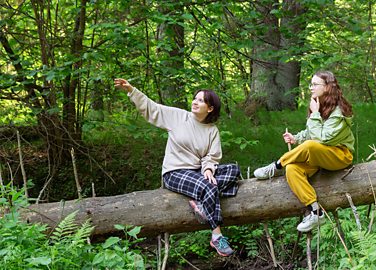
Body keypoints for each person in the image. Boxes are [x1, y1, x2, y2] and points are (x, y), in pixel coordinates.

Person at [114, 78, 240, 257]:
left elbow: (211, 156)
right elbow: (152, 109)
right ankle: (216, 235)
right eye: (195, 98)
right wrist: (131, 90)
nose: (195, 102)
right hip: (175, 172)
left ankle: (202, 203)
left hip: (197, 172)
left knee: (234, 170)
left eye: (201, 100)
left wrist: (208, 169)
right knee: (209, 186)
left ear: (210, 108)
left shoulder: (212, 130)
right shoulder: (178, 117)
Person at [253, 71, 354, 232]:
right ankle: (316, 212)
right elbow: (311, 133)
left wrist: (314, 114)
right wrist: (296, 138)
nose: (311, 88)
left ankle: (276, 166)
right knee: (292, 169)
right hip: (320, 156)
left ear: (328, 87)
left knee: (310, 146)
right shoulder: (320, 106)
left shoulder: (337, 111)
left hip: (339, 156)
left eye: (315, 85)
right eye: (310, 84)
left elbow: (322, 139)